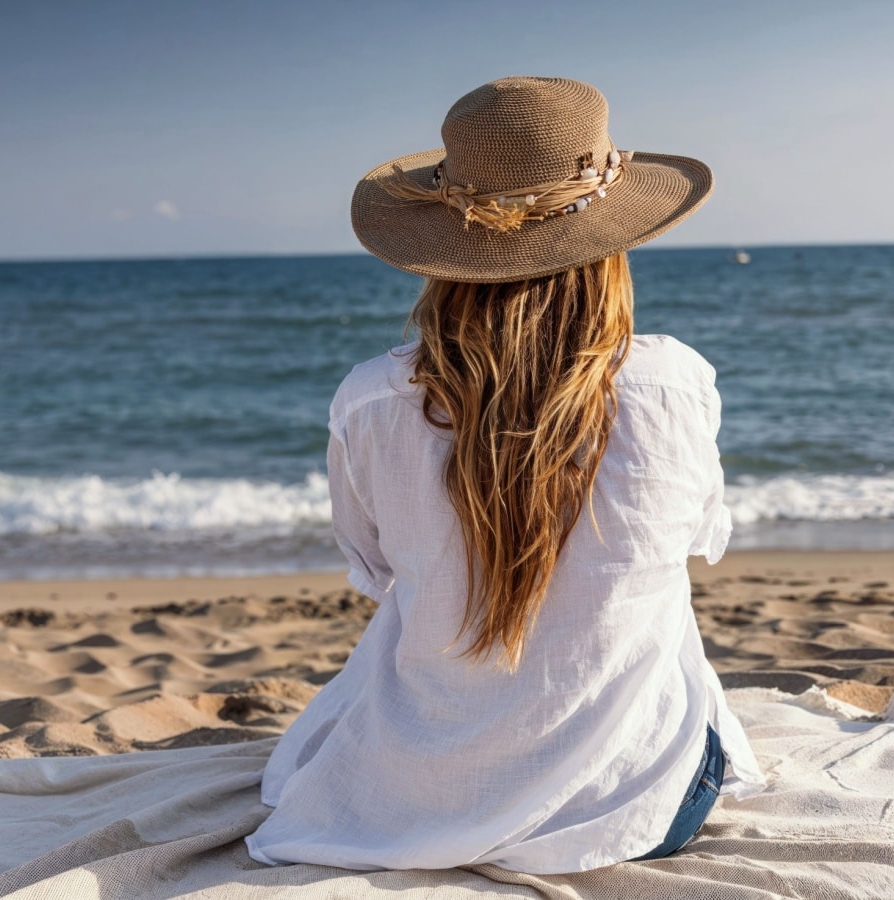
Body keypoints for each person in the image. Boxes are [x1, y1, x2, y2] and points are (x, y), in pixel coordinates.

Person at [245, 76, 764, 875]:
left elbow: (377, 568)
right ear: (613, 243)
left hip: (413, 801)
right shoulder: (673, 385)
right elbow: (696, 536)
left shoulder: (370, 402)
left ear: (444, 254)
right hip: (636, 808)